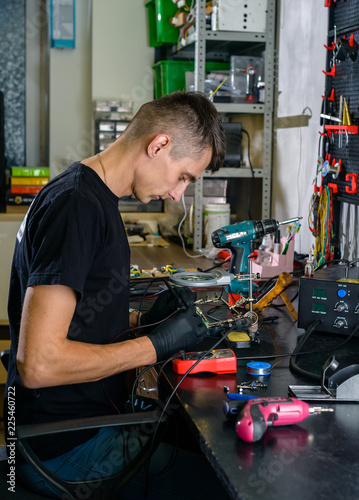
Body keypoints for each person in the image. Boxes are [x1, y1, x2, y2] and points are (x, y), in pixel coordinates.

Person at [4, 91, 226, 498]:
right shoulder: (78, 207)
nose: (178, 194)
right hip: (61, 446)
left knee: (186, 434)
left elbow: (74, 313)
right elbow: (38, 363)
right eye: (184, 177)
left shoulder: (88, 195)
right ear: (158, 145)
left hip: (77, 424)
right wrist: (156, 344)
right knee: (220, 483)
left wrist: (146, 321)